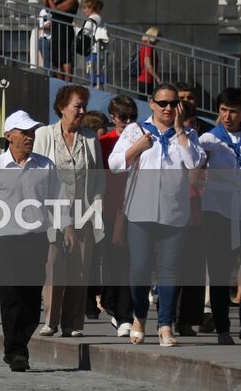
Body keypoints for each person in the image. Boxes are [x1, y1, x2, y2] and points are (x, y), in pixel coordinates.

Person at [108, 83, 201, 347]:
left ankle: (165, 324)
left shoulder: (188, 134)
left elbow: (195, 164)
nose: (169, 108)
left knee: (170, 270)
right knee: (139, 268)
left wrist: (181, 132)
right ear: (152, 104)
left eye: (173, 103)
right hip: (140, 210)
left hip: (175, 211)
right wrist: (137, 147)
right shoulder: (135, 131)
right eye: (163, 103)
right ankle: (139, 316)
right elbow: (114, 165)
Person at [0, 110, 64, 373]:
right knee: (11, 294)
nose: (30, 137)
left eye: (32, 133)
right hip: (4, 239)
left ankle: (18, 342)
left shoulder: (45, 165)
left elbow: (58, 199)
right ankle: (16, 352)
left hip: (36, 238)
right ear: (8, 136)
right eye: (24, 133)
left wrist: (66, 226)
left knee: (32, 296)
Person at [197, 87, 241, 345]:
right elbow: (195, 173)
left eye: (233, 111)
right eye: (223, 110)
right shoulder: (209, 140)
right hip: (218, 210)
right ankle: (222, 327)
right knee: (220, 270)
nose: (227, 116)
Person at [33, 85, 102, 338]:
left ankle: (72, 323)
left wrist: (96, 206)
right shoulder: (44, 135)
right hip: (52, 211)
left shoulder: (91, 138)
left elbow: (98, 177)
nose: (82, 111)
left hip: (83, 211)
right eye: (77, 106)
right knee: (54, 265)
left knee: (80, 269)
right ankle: (50, 321)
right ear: (62, 107)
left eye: (85, 106)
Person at [96, 94, 138, 337]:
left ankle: (125, 313)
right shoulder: (105, 142)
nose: (128, 121)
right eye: (123, 117)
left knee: (131, 262)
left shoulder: (143, 137)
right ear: (113, 118)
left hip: (135, 206)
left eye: (132, 117)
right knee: (114, 260)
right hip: (111, 206)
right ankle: (114, 305)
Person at [40, 0, 79, 79]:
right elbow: (49, 8)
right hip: (56, 29)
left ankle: (67, 82)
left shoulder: (73, 0)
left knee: (64, 57)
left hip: (64, 30)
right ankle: (59, 82)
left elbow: (56, 10)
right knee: (56, 58)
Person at [137, 28, 161, 96]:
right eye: (158, 36)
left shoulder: (144, 45)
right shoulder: (148, 47)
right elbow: (148, 65)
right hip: (146, 79)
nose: (159, 39)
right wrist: (157, 77)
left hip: (145, 79)